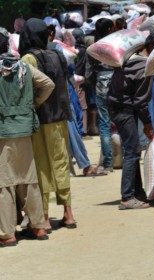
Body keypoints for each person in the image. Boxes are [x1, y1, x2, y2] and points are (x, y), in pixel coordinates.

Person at [19, 18, 76, 230]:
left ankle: (43, 216)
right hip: (59, 118)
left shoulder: (27, 59)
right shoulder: (57, 55)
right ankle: (68, 213)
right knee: (60, 162)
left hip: (40, 120)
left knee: (41, 166)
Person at [0, 29, 53, 246]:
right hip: (25, 128)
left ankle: (7, 233)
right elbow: (48, 84)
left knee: (5, 183)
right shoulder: (23, 66)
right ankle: (38, 226)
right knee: (28, 179)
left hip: (3, 132)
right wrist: (33, 104)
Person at [108, 37, 153, 210]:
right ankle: (127, 197)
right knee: (132, 152)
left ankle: (137, 192)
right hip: (124, 110)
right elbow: (141, 102)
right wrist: (148, 123)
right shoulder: (143, 67)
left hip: (117, 107)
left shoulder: (127, 59)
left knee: (131, 149)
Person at [88, 18, 115, 172]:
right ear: (110, 29)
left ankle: (108, 163)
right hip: (116, 83)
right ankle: (125, 158)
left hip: (100, 84)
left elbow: (88, 73)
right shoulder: (115, 45)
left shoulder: (93, 48)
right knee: (121, 120)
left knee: (104, 123)